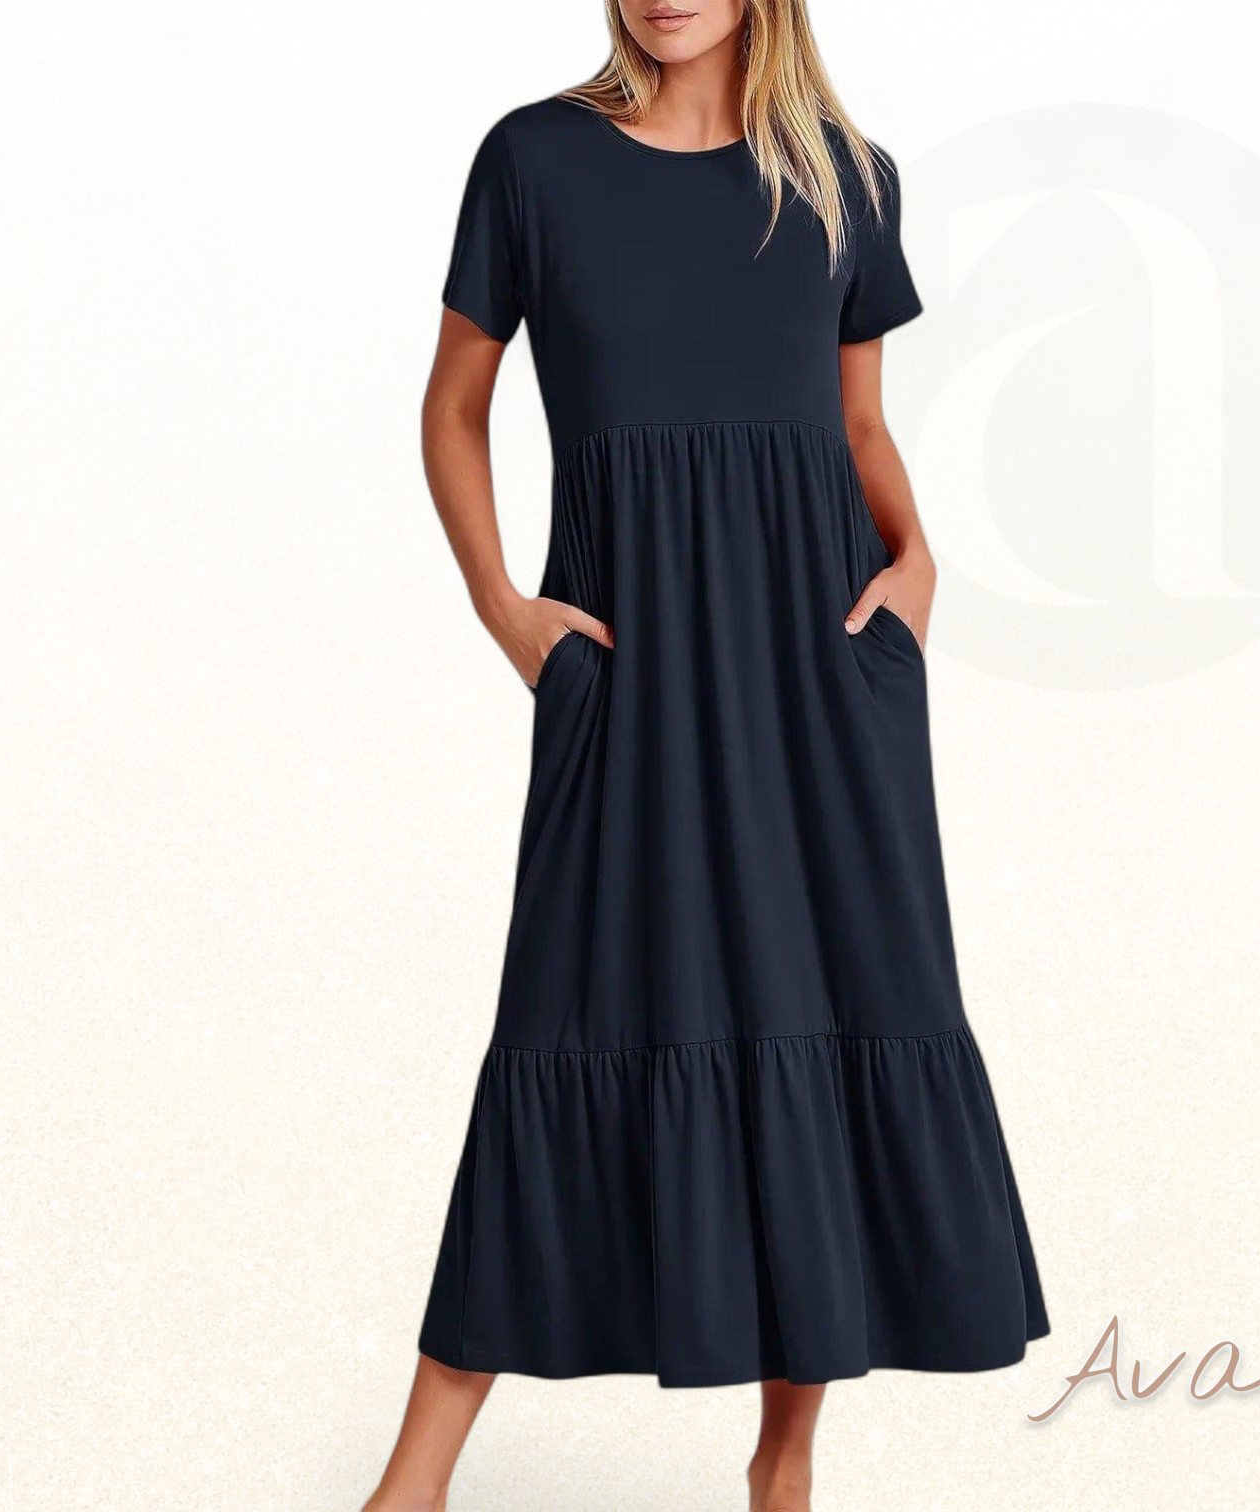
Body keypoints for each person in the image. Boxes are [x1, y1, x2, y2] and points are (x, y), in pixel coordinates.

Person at [364, 3, 1048, 1508]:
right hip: (630, 666)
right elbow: (454, 406)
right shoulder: (536, 161)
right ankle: (410, 1488)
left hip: (821, 673)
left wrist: (918, 563)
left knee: (830, 1010)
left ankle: (783, 1467)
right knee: (563, 1019)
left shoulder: (847, 177)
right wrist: (504, 608)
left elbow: (860, 426)